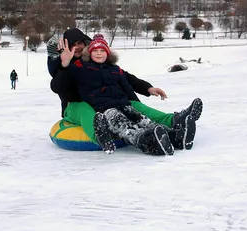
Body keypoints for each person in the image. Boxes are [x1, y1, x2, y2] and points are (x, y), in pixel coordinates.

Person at [47, 28, 202, 151]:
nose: (78, 47)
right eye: (74, 44)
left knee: (135, 106)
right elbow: (57, 82)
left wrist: (147, 88)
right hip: (77, 105)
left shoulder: (98, 63)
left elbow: (126, 78)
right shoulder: (70, 66)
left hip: (106, 102)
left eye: (81, 43)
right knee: (85, 109)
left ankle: (176, 121)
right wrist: (61, 60)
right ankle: (103, 134)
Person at [67, 34, 176, 155]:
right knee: (123, 124)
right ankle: (147, 142)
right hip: (103, 107)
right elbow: (62, 78)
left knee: (142, 119)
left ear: (108, 53)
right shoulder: (82, 68)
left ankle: (173, 136)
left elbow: (130, 82)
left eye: (102, 50)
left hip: (122, 103)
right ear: (89, 53)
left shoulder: (113, 69)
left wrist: (147, 89)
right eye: (95, 51)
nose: (99, 53)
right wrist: (60, 60)